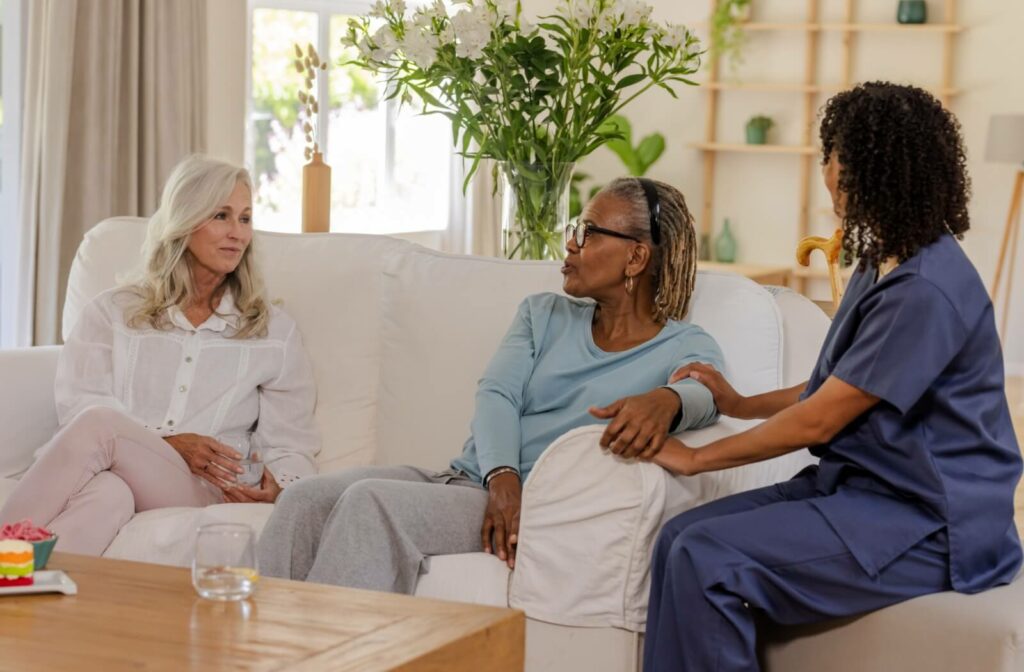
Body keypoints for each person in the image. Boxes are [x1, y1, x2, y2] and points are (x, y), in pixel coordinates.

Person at [642, 82, 1023, 672]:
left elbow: (819, 419)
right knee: (676, 538)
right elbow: (831, 388)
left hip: (931, 526)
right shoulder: (882, 261)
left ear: (875, 169)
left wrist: (695, 459)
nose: (826, 172)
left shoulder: (925, 290)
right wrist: (738, 403)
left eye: (835, 157)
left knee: (706, 557)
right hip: (862, 491)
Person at [257, 177, 724, 593]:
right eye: (573, 230)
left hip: (531, 502)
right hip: (473, 480)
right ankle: (267, 649)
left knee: (371, 503)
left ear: (636, 257)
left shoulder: (682, 344)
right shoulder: (542, 314)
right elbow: (497, 394)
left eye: (588, 232)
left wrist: (667, 399)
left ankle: (324, 652)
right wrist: (502, 477)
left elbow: (707, 393)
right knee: (303, 499)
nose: (570, 244)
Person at [0, 156, 320, 555]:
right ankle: (22, 582)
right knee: (109, 495)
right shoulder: (112, 312)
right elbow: (78, 407)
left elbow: (291, 444)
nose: (237, 233)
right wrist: (169, 443)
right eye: (221, 215)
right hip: (111, 470)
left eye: (245, 218)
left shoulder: (272, 330)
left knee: (101, 424)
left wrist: (282, 487)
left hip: (204, 487)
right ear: (185, 220)